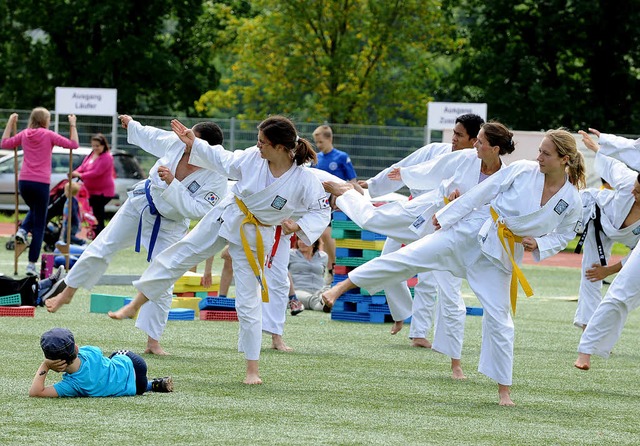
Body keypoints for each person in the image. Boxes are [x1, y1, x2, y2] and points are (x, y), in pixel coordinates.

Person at [323, 129, 585, 406]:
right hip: (473, 230)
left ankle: (504, 390)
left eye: (545, 153)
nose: (538, 157)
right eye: (540, 151)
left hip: (501, 255)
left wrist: (541, 244)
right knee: (409, 256)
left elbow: (566, 234)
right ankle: (341, 286)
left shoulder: (571, 200)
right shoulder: (523, 170)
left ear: (564, 159)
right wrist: (448, 215)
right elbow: (483, 192)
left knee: (500, 320)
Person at [108, 115, 330, 385]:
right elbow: (224, 159)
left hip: (256, 232)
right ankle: (134, 304)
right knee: (181, 253)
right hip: (230, 211)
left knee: (248, 301)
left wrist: (299, 226)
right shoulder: (252, 158)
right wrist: (195, 145)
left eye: (263, 142)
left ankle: (252, 371)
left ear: (280, 147)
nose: (257, 146)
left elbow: (321, 210)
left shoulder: (303, 180)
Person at [324, 121, 510, 379]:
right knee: (377, 224)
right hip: (426, 211)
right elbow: (427, 170)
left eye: (471, 138)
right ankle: (345, 194)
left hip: (455, 236)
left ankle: (456, 363)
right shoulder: (460, 157)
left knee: (451, 296)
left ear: (493, 147)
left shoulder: (505, 177)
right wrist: (401, 177)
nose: (456, 139)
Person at [45, 115, 229, 357]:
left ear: (206, 148)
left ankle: (153, 341)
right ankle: (67, 293)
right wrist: (132, 125)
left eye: (190, 138)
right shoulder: (176, 144)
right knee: (102, 245)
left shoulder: (216, 177)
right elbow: (152, 136)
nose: (184, 139)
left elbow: (196, 210)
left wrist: (174, 183)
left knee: (163, 274)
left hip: (171, 224)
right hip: (142, 204)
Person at [356, 114, 484, 347]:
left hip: (441, 224)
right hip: (412, 213)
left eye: (459, 135)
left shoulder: (476, 165)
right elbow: (404, 167)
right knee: (388, 258)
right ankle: (400, 313)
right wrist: (373, 184)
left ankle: (419, 332)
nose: (453, 138)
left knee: (429, 278)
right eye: (453, 133)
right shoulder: (437, 150)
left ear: (475, 140)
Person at [574, 129, 640, 371]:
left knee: (611, 279)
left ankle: (596, 335)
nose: (635, 191)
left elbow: (635, 257)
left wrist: (610, 270)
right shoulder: (626, 182)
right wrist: (598, 146)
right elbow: (611, 163)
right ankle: (587, 328)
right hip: (596, 217)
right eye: (636, 186)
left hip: (625, 236)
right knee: (590, 273)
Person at [1, 109, 79, 276]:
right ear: (45, 120)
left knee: (36, 212)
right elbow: (73, 144)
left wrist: (10, 122)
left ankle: (22, 230)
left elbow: (4, 143)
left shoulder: (24, 134)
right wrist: (72, 125)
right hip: (41, 183)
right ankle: (30, 265)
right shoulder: (48, 134)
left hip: (24, 183)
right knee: (39, 225)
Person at [30, 327, 173, 397]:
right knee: (113, 357)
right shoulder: (90, 351)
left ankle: (151, 385)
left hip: (136, 390)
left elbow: (35, 393)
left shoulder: (72, 385)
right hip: (135, 363)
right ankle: (153, 384)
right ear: (76, 348)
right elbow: (95, 353)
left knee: (109, 376)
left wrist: (45, 365)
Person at [312, 125, 358, 284]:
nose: (318, 146)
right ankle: (332, 268)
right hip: (320, 203)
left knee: (330, 234)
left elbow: (352, 181)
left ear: (329, 139)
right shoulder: (316, 158)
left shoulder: (341, 157)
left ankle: (335, 268)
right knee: (324, 233)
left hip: (339, 203)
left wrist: (343, 195)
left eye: (321, 142)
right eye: (316, 143)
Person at [71, 133, 116, 236]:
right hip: (90, 191)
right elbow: (83, 167)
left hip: (102, 192)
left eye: (97, 146)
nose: (95, 148)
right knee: (93, 213)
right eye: (93, 145)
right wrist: (74, 173)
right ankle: (96, 233)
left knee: (98, 213)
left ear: (103, 145)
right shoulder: (91, 155)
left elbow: (96, 173)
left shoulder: (107, 157)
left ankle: (100, 233)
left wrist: (80, 175)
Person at [288, 238, 329, 311]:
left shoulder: (323, 256)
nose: (302, 242)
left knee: (328, 293)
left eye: (306, 240)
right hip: (298, 290)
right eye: (300, 239)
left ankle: (326, 303)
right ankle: (323, 307)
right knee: (312, 300)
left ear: (314, 243)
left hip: (319, 290)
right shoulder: (290, 254)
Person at [59, 182, 86, 246]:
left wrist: (69, 219)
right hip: (70, 221)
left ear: (68, 192)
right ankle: (68, 246)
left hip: (72, 223)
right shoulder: (71, 199)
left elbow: (72, 211)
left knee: (69, 237)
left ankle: (82, 242)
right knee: (67, 237)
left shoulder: (71, 200)